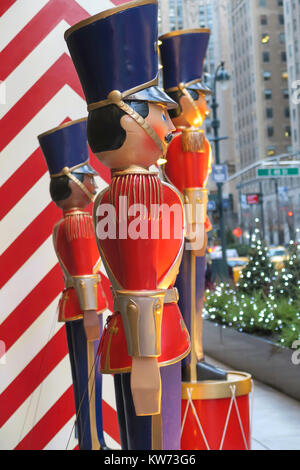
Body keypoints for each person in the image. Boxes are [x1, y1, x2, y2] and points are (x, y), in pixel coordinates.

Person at [65, 0, 190, 450]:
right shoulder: (147, 193)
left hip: (136, 334)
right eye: (160, 114)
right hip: (155, 338)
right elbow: (139, 284)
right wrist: (143, 359)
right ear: (128, 118)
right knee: (158, 443)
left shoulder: (109, 196)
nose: (170, 123)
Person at [159, 29, 227, 382]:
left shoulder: (182, 140)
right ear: (182, 100)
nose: (204, 105)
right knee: (190, 294)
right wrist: (197, 227)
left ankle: (193, 357)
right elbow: (190, 191)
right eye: (198, 97)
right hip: (189, 227)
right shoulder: (187, 140)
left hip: (188, 226)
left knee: (193, 295)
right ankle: (190, 360)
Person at [38, 118, 108, 450]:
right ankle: (93, 439)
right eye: (87, 177)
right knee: (89, 376)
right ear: (73, 183)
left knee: (85, 373)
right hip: (85, 307)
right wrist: (92, 309)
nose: (94, 183)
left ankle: (89, 436)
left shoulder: (64, 223)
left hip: (75, 305)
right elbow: (82, 272)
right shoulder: (80, 222)